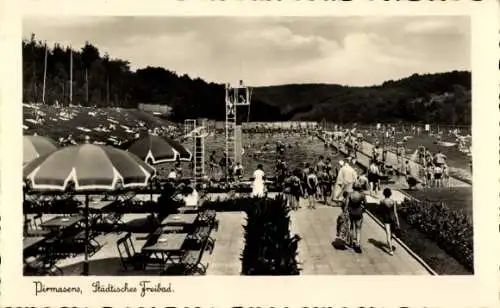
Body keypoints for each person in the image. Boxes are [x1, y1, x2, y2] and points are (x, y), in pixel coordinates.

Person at [378, 188, 400, 255]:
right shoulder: (393, 201)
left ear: (384, 194)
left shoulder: (382, 201)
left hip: (386, 219)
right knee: (391, 234)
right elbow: (395, 213)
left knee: (388, 234)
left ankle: (390, 250)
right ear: (390, 194)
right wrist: (398, 222)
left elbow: (380, 211)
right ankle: (390, 244)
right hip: (392, 219)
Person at [346, 184, 366, 253]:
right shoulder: (362, 195)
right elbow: (365, 204)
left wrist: (345, 212)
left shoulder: (350, 194)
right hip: (359, 212)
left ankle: (351, 244)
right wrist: (363, 209)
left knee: (351, 227)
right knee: (358, 229)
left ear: (353, 188)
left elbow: (346, 204)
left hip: (351, 212)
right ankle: (357, 244)